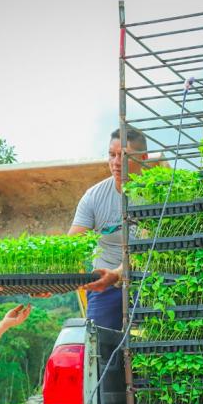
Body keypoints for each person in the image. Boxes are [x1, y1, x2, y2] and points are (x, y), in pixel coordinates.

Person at [69, 127, 149, 330]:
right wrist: (48, 282)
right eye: (112, 155)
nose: (115, 162)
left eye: (123, 156)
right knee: (99, 347)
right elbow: (72, 246)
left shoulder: (156, 195)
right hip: (105, 284)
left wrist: (118, 273)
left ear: (143, 157)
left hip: (149, 281)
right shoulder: (94, 197)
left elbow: (145, 251)